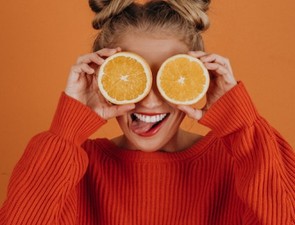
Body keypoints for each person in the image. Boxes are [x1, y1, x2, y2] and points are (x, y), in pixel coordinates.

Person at [1, 0, 294, 224]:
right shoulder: (70, 169)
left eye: (169, 76)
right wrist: (66, 130)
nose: (151, 102)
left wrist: (242, 124)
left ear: (200, 78)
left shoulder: (242, 162)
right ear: (102, 78)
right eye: (132, 76)